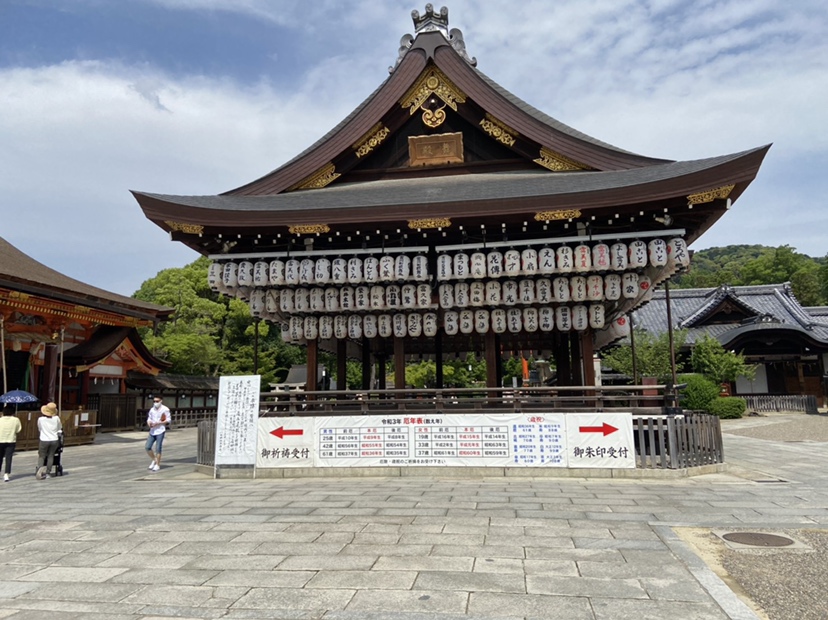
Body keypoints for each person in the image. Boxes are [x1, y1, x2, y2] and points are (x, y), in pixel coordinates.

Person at [36, 402, 62, 480]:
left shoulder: (41, 419)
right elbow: (59, 428)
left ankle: (40, 471)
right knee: (51, 455)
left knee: (42, 456)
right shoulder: (56, 418)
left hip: (44, 439)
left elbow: (39, 429)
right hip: (54, 439)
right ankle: (48, 472)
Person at [145, 396, 170, 471]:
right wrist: (149, 422)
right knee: (147, 447)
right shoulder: (152, 409)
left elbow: (168, 419)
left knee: (158, 448)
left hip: (160, 430)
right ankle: (154, 459)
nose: (155, 403)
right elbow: (149, 418)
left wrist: (159, 422)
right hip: (152, 430)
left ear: (161, 401)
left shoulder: (165, 409)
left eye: (157, 401)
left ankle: (157, 464)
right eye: (154, 401)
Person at [0, 404, 23, 482]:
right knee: (8, 458)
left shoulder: (0, 419)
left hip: (0, 440)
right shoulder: (16, 420)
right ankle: (6, 474)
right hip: (11, 440)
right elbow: (18, 430)